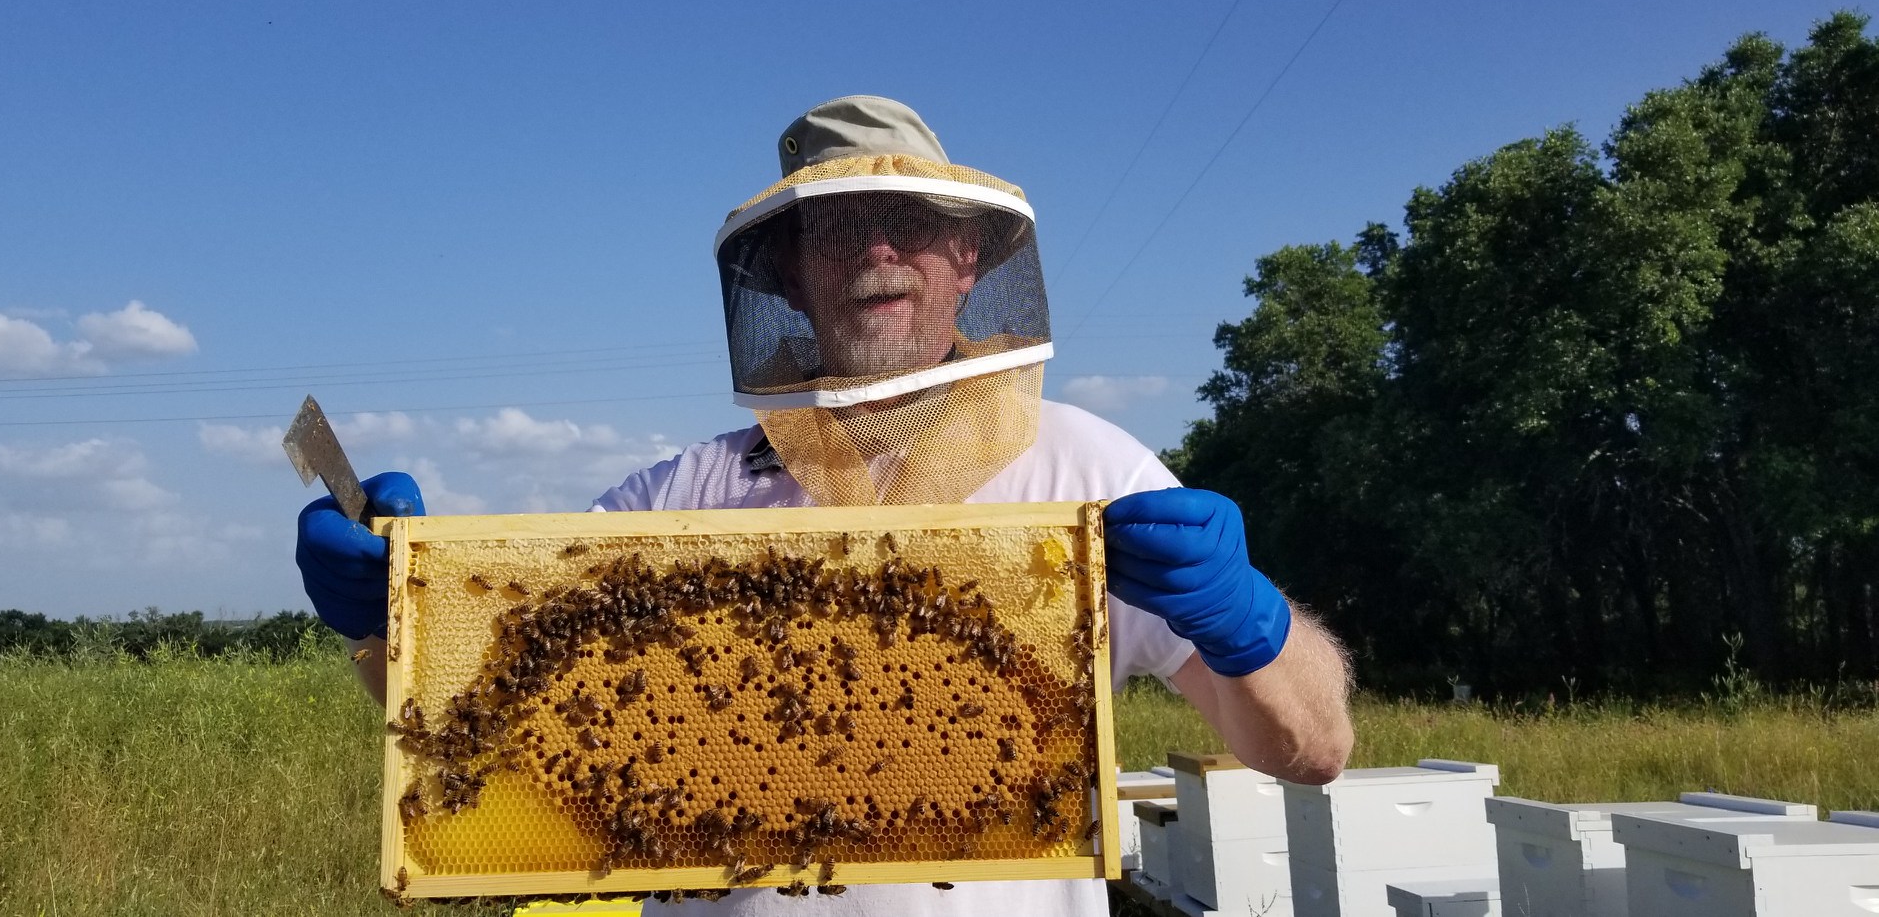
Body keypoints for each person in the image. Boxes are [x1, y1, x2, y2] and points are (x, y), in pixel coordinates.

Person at [297, 96, 1354, 916]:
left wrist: (1248, 623)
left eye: (911, 225)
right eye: (840, 233)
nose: (878, 253)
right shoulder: (679, 498)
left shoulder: (1089, 469)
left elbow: (1311, 752)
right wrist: (395, 622)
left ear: (968, 259)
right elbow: (494, 730)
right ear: (794, 279)